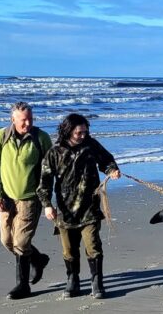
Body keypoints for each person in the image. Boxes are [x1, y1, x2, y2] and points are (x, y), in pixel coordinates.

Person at [37, 113, 120, 299]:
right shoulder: (55, 152)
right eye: (79, 133)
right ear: (68, 131)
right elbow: (44, 181)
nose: (83, 135)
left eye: (85, 131)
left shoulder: (91, 145)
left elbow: (106, 160)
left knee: (93, 245)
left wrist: (112, 170)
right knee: (69, 250)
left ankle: (97, 282)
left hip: (90, 207)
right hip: (65, 211)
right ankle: (72, 279)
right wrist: (47, 205)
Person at [0, 101, 52, 299]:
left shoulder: (41, 138)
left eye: (30, 119)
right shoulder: (0, 137)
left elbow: (49, 170)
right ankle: (38, 259)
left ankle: (23, 286)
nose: (27, 123)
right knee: (7, 241)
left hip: (31, 199)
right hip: (6, 199)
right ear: (13, 119)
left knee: (21, 242)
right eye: (23, 120)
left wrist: (47, 199)